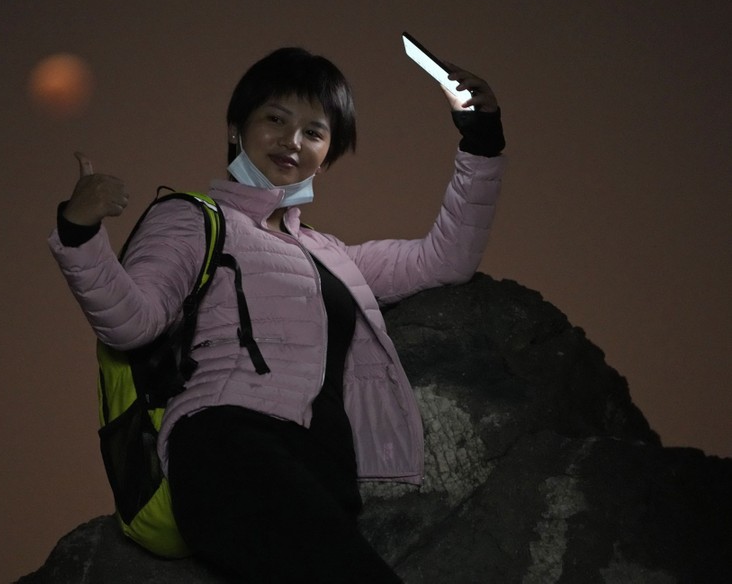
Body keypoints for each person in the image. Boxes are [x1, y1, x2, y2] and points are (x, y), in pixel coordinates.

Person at [49, 46, 505, 583]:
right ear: (235, 129)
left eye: (315, 131)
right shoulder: (193, 218)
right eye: (275, 119)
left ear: (329, 153)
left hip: (323, 472)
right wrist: (79, 233)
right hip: (227, 449)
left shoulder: (333, 255)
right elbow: (133, 322)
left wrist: (481, 139)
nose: (293, 141)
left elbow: (445, 259)